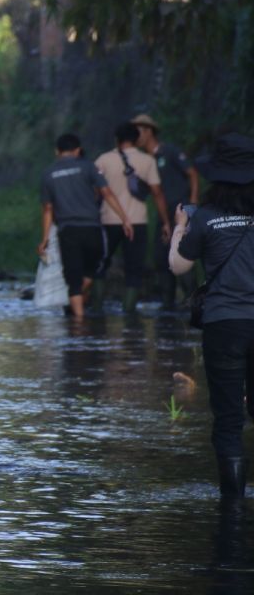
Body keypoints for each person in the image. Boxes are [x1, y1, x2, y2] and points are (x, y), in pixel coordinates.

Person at [168, 132, 254, 510]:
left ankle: (232, 509)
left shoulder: (205, 217)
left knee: (229, 419)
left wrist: (179, 227)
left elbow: (178, 266)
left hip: (224, 325)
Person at [38, 133, 132, 319]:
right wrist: (125, 219)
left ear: (56, 151)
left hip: (68, 231)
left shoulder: (48, 174)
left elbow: (48, 210)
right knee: (93, 269)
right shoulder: (88, 166)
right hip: (92, 229)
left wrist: (45, 239)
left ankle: (78, 323)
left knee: (73, 280)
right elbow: (106, 193)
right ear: (78, 150)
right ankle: (79, 303)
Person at [94, 122, 171, 313]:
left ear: (116, 139)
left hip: (108, 221)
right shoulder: (147, 161)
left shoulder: (103, 160)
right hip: (137, 222)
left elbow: (95, 192)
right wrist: (166, 222)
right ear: (136, 139)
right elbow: (157, 193)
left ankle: (96, 310)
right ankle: (129, 312)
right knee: (134, 268)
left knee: (100, 265)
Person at [134, 114, 201, 309]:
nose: (135, 136)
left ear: (148, 131)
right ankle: (167, 303)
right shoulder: (144, 161)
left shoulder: (169, 151)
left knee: (185, 250)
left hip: (182, 209)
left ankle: (193, 299)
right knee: (161, 254)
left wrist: (194, 201)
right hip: (164, 214)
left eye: (137, 131)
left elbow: (192, 173)